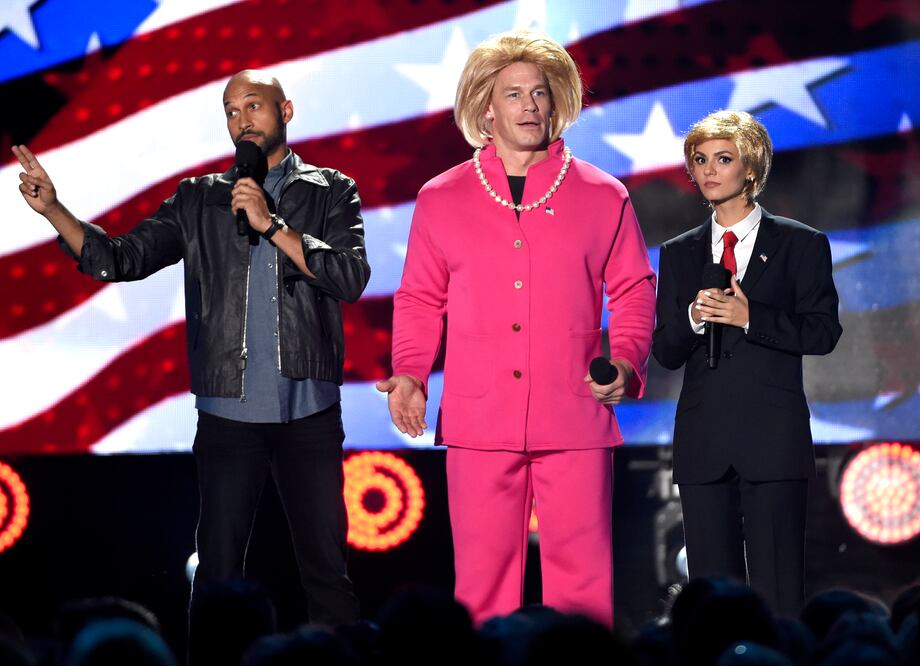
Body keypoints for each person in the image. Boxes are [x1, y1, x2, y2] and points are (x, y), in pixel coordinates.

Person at [12, 70, 369, 626]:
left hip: (310, 412)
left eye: (254, 105)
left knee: (326, 573)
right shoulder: (199, 200)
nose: (241, 119)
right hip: (229, 418)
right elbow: (120, 259)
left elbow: (349, 277)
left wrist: (272, 225)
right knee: (219, 574)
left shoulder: (331, 189)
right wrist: (55, 211)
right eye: (230, 110)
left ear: (287, 111)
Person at [376, 30, 656, 626]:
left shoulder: (606, 196)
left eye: (540, 93)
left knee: (583, 590)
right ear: (486, 108)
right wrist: (409, 373)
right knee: (480, 587)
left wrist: (627, 362)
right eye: (513, 94)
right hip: (480, 421)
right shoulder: (441, 197)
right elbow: (421, 297)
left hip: (575, 414)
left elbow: (633, 290)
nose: (529, 105)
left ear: (557, 104)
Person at [652, 110, 842, 615]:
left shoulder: (801, 243)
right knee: (711, 600)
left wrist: (749, 315)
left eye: (723, 158)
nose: (709, 170)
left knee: (778, 591)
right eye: (700, 160)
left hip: (773, 440)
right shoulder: (680, 252)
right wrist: (694, 317)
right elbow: (665, 350)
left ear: (751, 169)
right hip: (704, 441)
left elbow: (823, 333)